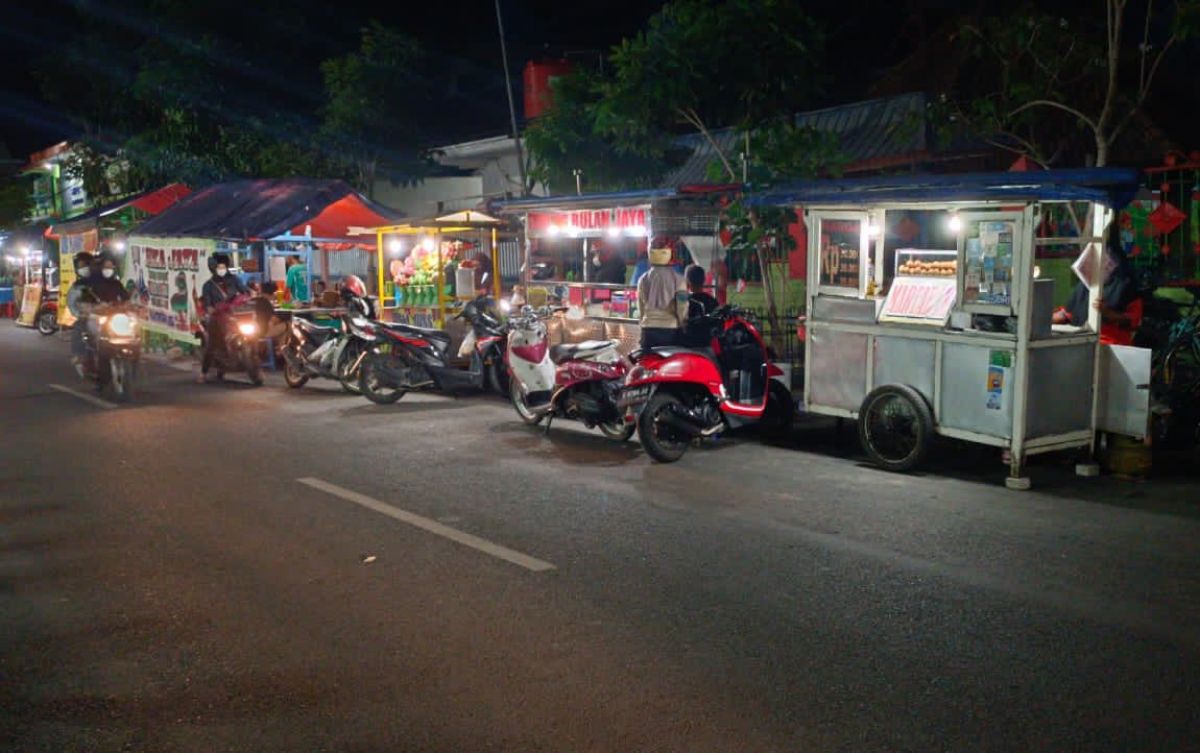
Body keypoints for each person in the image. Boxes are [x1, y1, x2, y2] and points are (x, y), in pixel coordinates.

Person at [1052, 233, 1142, 345]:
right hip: (1082, 341)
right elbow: (1068, 313)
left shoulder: (1126, 287)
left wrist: (1107, 312)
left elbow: (1133, 320)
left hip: (1111, 344)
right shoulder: (1084, 286)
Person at [199, 253, 249, 382]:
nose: (222, 269)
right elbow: (207, 304)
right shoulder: (208, 285)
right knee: (211, 345)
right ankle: (203, 373)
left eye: (224, 266)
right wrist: (211, 309)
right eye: (219, 267)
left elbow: (244, 291)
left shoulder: (234, 279)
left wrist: (249, 294)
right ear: (213, 268)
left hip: (233, 315)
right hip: (217, 317)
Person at [637, 246, 688, 350]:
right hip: (670, 329)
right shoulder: (678, 279)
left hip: (648, 328)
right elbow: (682, 305)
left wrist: (643, 321)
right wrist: (683, 323)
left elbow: (640, 305)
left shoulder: (643, 279)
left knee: (647, 363)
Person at [66, 252, 95, 368]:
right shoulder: (77, 286)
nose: (83, 268)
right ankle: (78, 355)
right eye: (80, 266)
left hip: (104, 316)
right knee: (78, 327)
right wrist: (79, 314)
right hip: (87, 317)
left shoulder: (103, 282)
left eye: (85, 265)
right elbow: (71, 303)